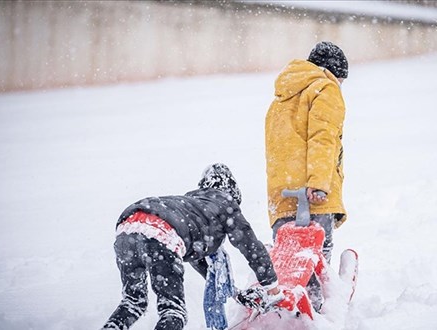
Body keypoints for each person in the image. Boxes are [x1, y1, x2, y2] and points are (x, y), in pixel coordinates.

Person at [103, 163, 280, 330]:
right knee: (173, 312)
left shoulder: (191, 208)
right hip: (161, 233)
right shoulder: (225, 204)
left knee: (133, 303)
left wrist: (237, 294)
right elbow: (251, 247)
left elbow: (207, 268)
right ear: (232, 192)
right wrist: (272, 287)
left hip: (127, 229)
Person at [264, 41, 349, 310]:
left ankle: (289, 311)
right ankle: (317, 310)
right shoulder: (326, 88)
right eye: (342, 80)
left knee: (290, 263)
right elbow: (323, 139)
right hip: (312, 193)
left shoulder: (281, 97)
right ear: (333, 72)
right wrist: (319, 183)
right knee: (316, 257)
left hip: (281, 195)